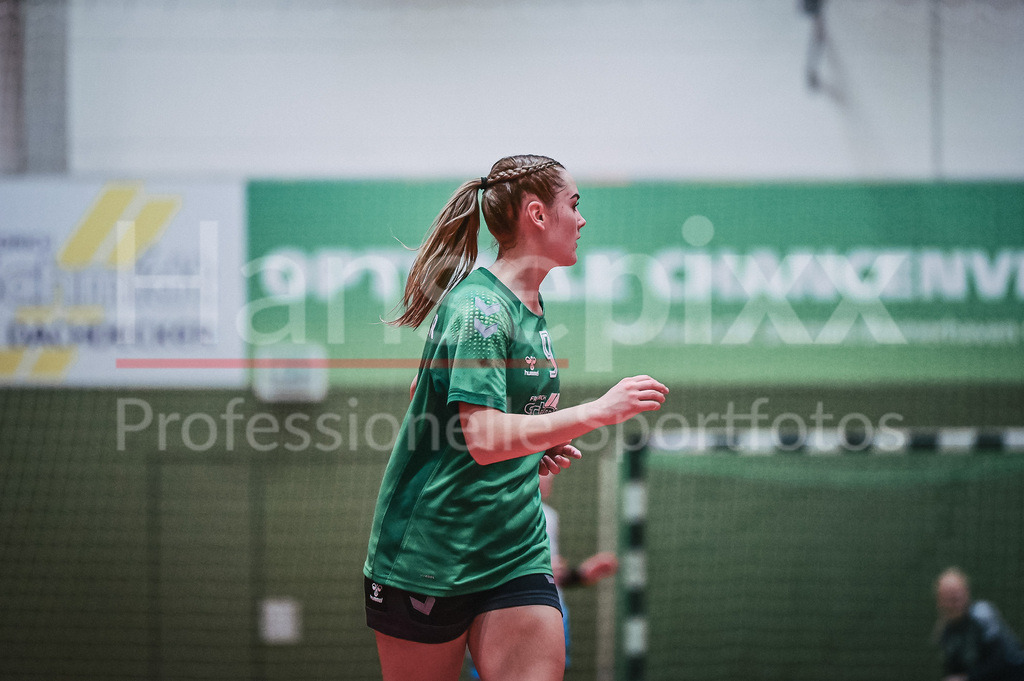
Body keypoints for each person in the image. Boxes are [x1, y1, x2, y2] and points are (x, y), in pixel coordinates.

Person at [362, 154, 669, 681]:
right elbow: (481, 437)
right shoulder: (482, 309)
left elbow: (435, 396)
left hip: (515, 548)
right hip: (431, 553)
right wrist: (595, 412)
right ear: (537, 214)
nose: (582, 219)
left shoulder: (527, 304)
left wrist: (529, 447)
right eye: (573, 205)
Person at [934, 567, 1024, 681]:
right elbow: (953, 670)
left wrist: (967, 678)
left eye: (957, 593)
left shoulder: (982, 614)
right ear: (940, 600)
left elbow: (999, 660)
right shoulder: (946, 631)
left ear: (966, 592)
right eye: (948, 595)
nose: (954, 599)